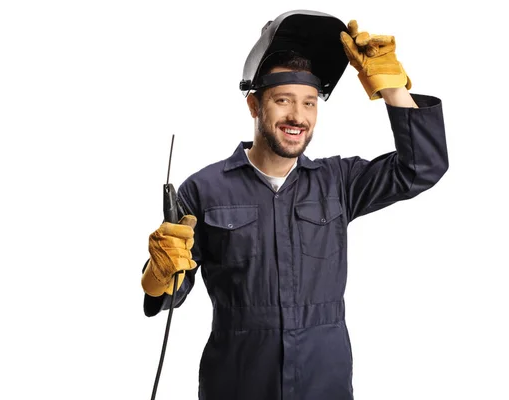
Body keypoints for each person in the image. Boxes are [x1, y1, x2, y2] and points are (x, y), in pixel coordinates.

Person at [141, 10, 448, 400]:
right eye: (283, 101)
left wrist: (390, 84)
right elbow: (167, 295)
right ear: (254, 106)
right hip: (237, 385)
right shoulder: (203, 190)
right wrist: (159, 272)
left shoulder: (339, 182)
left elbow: (423, 166)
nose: (297, 117)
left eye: (309, 103)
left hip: (324, 383)